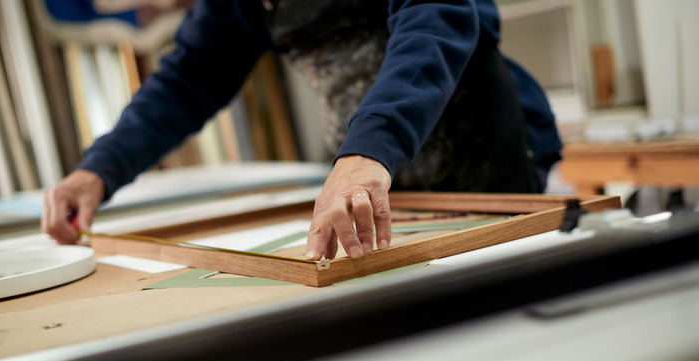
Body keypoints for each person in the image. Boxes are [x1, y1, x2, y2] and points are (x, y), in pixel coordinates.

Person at [42, 0, 562, 261]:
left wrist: (370, 151)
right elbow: (189, 80)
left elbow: (436, 18)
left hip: (484, 155)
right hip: (377, 183)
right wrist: (99, 169)